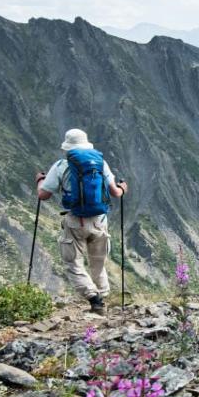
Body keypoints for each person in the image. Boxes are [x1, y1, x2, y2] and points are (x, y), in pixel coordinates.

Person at [36, 128, 127, 315]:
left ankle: (94, 299)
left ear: (67, 148)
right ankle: (103, 298)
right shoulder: (101, 163)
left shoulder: (61, 166)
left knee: (73, 263)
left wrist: (40, 180)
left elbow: (43, 195)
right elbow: (115, 193)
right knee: (98, 262)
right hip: (99, 220)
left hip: (75, 221)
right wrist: (123, 188)